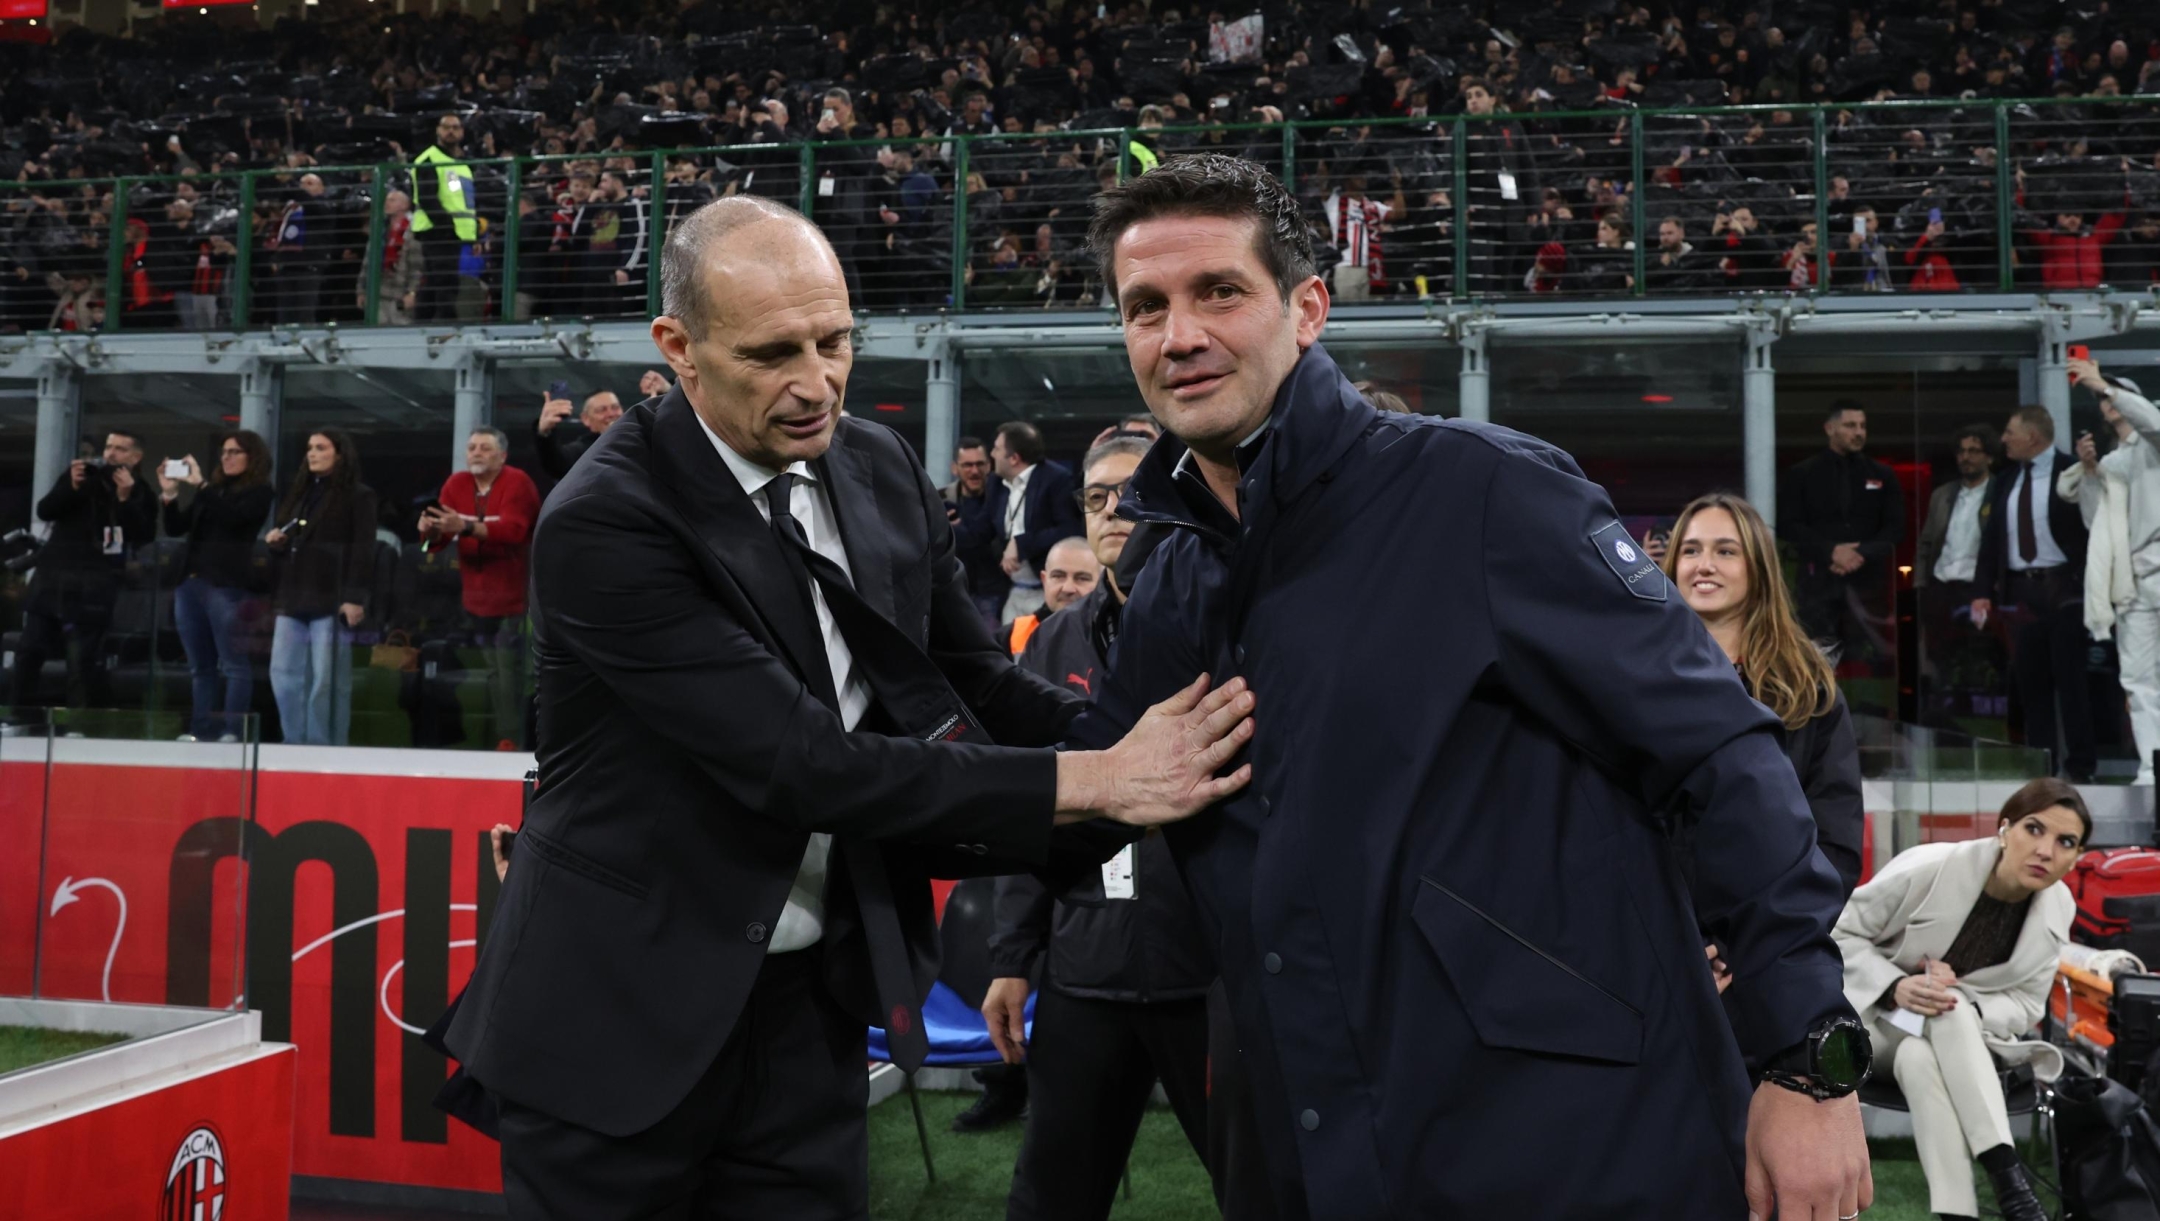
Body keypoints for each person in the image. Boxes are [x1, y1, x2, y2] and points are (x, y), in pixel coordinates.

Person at [1067, 153, 1869, 1220]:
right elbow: (1077, 784)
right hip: (1315, 1153)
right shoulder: (1170, 578)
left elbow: (1722, 756)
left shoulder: (1484, 491)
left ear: (1308, 309)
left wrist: (1806, 1062)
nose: (1180, 336)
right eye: (1145, 307)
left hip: (1575, 1153)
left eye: (1219, 292)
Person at [440, 195, 1254, 1221]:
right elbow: (805, 764)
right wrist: (1103, 780)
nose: (815, 383)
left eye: (835, 343)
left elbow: (972, 680)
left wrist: (1149, 748)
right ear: (678, 348)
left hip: (808, 1007)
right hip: (614, 1013)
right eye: (774, 352)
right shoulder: (605, 519)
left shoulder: (872, 463)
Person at [986, 435, 1219, 1219]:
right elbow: (1034, 799)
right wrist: (1014, 954)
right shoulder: (1050, 639)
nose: (1113, 510)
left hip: (1208, 969)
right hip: (1086, 967)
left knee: (1268, 1184)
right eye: (1094, 496)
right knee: (1049, 1196)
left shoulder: (1222, 613)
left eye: (1129, 491)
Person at [1834, 779, 2088, 1221]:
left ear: (2077, 856)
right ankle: (2008, 1178)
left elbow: (2027, 1007)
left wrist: (1961, 998)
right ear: (2004, 828)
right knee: (1945, 1016)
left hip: (1949, 1042)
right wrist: (1896, 985)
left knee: (1930, 1040)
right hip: (1870, 1024)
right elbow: (1837, 933)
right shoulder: (1930, 867)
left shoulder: (2057, 907)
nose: (2046, 850)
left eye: (2066, 842)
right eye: (2034, 829)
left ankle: (1958, 1214)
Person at [1665, 492, 1865, 899]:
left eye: (1725, 551)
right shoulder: (1630, 679)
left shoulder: (1811, 691)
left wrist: (1757, 940)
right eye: (1691, 550)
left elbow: (1834, 839)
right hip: (1654, 934)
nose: (1704, 565)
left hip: (1768, 939)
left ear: (1757, 568)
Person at [1973, 405, 2093, 779]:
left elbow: (2093, 527)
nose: (2004, 439)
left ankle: (2082, 767)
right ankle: (2042, 768)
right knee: (2032, 685)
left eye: (2010, 431)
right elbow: (1991, 541)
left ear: (2033, 437)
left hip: (2065, 590)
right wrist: (1982, 591)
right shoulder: (2005, 480)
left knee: (2071, 682)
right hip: (2020, 594)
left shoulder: (2071, 470)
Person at [2060, 357, 2160, 783]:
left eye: (2114, 394)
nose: (2108, 400)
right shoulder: (2115, 462)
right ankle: (2154, 765)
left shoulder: (2155, 437)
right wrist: (2087, 471)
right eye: (2103, 397)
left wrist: (2103, 383)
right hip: (2132, 582)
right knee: (2137, 680)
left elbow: (2150, 419)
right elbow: (2092, 522)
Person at [9, 428, 156, 713]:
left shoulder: (141, 491)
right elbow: (45, 510)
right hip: (54, 576)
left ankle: (80, 722)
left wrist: (125, 498)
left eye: (120, 449)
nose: (111, 453)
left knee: (82, 658)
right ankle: (17, 716)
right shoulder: (81, 477)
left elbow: (143, 533)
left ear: (136, 457)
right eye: (109, 447)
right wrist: (72, 488)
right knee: (29, 650)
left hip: (94, 582)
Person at [419, 426, 540, 751]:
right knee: (488, 675)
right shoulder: (456, 484)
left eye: (484, 448)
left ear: (502, 455)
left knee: (508, 676)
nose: (475, 453)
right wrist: (428, 531)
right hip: (473, 602)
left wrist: (466, 526)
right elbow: (434, 544)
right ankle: (486, 741)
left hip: (517, 601)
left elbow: (516, 530)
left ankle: (513, 742)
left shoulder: (518, 482)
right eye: (472, 447)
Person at [158, 430, 275, 742]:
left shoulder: (260, 491)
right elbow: (176, 527)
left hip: (226, 585)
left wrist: (201, 485)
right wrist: (169, 495)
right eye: (224, 452)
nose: (227, 457)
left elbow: (235, 520)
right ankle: (201, 730)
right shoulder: (213, 490)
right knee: (200, 667)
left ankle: (233, 731)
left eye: (235, 452)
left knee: (233, 664)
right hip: (191, 583)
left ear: (252, 456)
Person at [265, 428, 377, 746]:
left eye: (321, 447)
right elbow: (290, 540)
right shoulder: (300, 494)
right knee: (283, 674)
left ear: (339, 454)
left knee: (326, 682)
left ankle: (324, 745)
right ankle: (294, 741)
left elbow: (362, 549)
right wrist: (276, 543)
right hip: (294, 595)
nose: (312, 453)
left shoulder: (358, 495)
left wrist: (355, 598)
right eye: (309, 448)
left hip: (332, 597)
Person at [1779, 401, 1906, 672]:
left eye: (1862, 426)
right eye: (1850, 426)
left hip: (1869, 585)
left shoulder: (1882, 475)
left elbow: (1896, 528)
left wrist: (1861, 553)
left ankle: (1872, 713)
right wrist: (1831, 551)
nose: (1858, 432)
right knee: (1816, 656)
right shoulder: (1803, 474)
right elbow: (1789, 526)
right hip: (1816, 585)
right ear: (1830, 428)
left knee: (1868, 656)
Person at [1916, 426, 2001, 720]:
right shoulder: (1943, 494)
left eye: (1974, 451)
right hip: (1942, 585)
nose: (1966, 457)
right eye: (1962, 451)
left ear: (1989, 457)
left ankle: (1983, 714)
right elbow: (1927, 542)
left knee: (1981, 655)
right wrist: (1921, 584)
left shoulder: (1999, 492)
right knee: (1939, 656)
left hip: (1978, 588)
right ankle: (1942, 714)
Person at [992, 420, 1083, 623]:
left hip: (1045, 591)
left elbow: (1069, 530)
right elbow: (983, 529)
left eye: (997, 449)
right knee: (1010, 649)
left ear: (1014, 458)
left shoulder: (1056, 479)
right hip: (1012, 591)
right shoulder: (997, 483)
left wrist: (1021, 542)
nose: (992, 454)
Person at [410, 113, 480, 322]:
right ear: (438, 131)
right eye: (446, 127)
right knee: (445, 281)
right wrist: (447, 225)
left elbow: (461, 200)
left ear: (462, 132)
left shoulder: (461, 163)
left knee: (434, 281)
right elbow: (427, 197)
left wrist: (472, 233)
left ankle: (421, 321)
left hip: (455, 232)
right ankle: (446, 323)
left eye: (455, 127)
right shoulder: (429, 158)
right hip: (438, 230)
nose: (451, 131)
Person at [939, 436, 1011, 628]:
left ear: (989, 466)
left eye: (980, 464)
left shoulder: (1005, 498)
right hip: (955, 592)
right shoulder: (940, 500)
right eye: (967, 465)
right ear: (955, 468)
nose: (974, 471)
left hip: (995, 592)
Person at [1005, 537, 1097, 656]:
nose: (1068, 588)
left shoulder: (1117, 639)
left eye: (1082, 578)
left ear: (1101, 583)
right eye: (1058, 576)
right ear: (1044, 580)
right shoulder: (1011, 636)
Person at [534, 389, 624, 479]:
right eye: (601, 410)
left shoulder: (636, 439)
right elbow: (557, 465)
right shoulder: (582, 453)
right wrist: (545, 432)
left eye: (615, 407)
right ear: (586, 419)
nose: (611, 414)